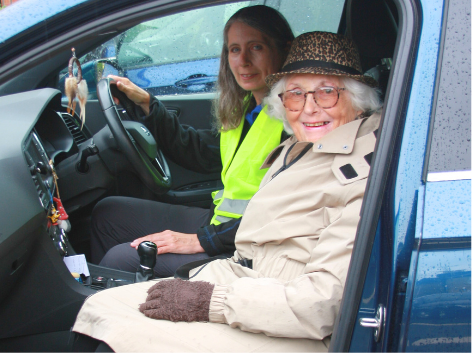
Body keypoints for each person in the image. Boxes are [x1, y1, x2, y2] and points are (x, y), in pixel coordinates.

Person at [73, 31, 382, 352]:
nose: (309, 107)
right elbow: (205, 153)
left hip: (274, 308)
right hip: (248, 277)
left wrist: (210, 295)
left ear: (358, 98)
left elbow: (322, 302)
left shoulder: (362, 171)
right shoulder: (303, 141)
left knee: (112, 321)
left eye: (327, 92)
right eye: (295, 94)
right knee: (103, 307)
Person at [90, 5, 294, 276]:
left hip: (245, 248)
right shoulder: (247, 108)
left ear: (283, 50)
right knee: (109, 213)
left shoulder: (295, 121)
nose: (243, 60)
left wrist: (202, 240)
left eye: (256, 47)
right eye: (234, 49)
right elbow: (200, 153)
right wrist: (149, 106)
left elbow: (284, 217)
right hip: (221, 225)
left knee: (120, 259)